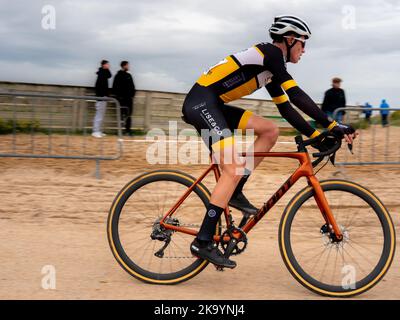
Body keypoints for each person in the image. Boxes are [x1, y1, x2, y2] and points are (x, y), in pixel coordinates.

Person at [182, 15, 356, 268]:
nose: (304, 50)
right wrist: (331, 125)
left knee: (270, 130)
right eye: (302, 43)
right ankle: (203, 240)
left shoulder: (270, 68)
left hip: (213, 105)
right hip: (201, 104)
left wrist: (317, 137)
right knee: (231, 169)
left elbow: (287, 109)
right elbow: (296, 94)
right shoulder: (271, 53)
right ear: (289, 39)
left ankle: (236, 189)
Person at [113, 61, 136, 136]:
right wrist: (119, 97)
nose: (128, 67)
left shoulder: (129, 75)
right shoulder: (118, 75)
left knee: (129, 115)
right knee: (120, 115)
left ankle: (128, 131)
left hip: (129, 99)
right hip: (121, 99)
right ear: (123, 66)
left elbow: (133, 86)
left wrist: (132, 95)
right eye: (127, 65)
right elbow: (115, 87)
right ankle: (120, 131)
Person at [93, 60, 112, 138]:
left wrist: (105, 96)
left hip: (104, 97)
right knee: (99, 115)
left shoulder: (104, 72)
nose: (109, 65)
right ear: (103, 65)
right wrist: (100, 96)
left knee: (101, 115)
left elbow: (110, 75)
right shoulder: (101, 73)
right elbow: (97, 86)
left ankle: (99, 131)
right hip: (100, 97)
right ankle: (95, 131)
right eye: (107, 64)